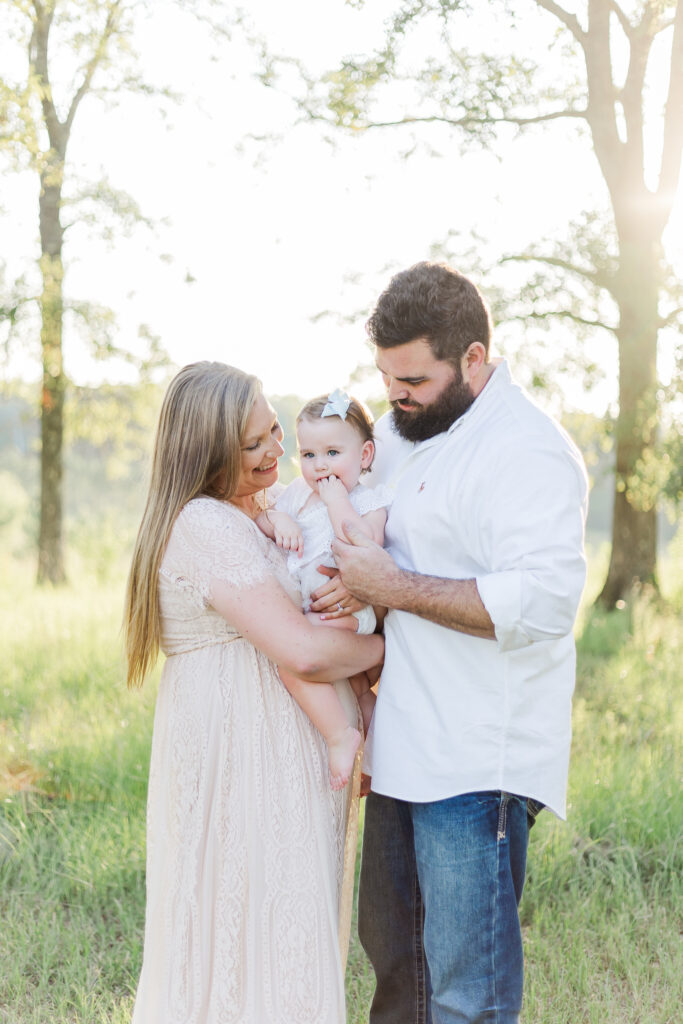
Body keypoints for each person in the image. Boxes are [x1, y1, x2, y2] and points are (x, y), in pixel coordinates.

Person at [328, 262, 589, 1024]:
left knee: (464, 998)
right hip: (404, 748)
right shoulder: (408, 432)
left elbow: (542, 602)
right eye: (384, 376)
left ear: (474, 359)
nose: (393, 395)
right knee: (399, 980)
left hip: (478, 765)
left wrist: (393, 588)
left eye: (411, 376)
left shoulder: (527, 451)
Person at [123, 361, 384, 1024]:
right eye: (254, 444)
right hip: (239, 762)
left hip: (279, 763)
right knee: (247, 930)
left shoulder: (258, 513)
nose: (276, 452)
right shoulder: (205, 524)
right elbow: (298, 647)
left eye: (274, 431)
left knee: (279, 930)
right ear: (207, 452)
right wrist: (394, 647)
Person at [255, 390, 391, 790]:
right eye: (309, 455)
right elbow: (264, 517)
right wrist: (279, 520)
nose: (319, 466)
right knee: (351, 687)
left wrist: (336, 502)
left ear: (364, 456)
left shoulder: (369, 500)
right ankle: (371, 739)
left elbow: (363, 546)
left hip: (347, 612)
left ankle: (339, 737)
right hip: (317, 610)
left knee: (292, 661)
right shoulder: (297, 493)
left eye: (333, 452)